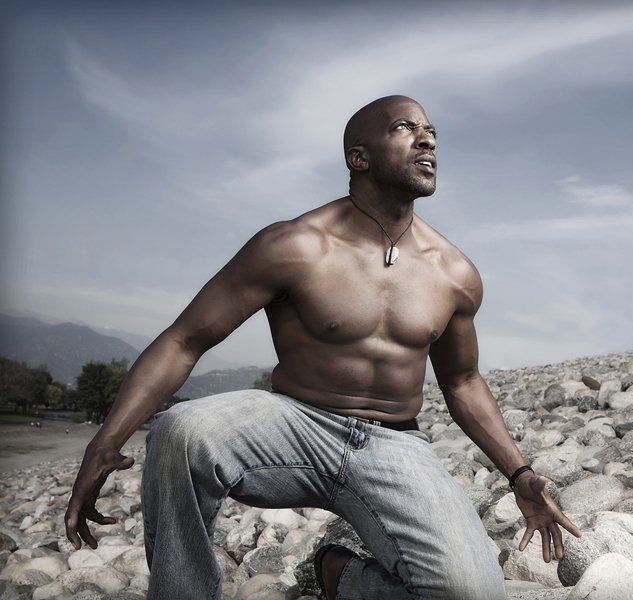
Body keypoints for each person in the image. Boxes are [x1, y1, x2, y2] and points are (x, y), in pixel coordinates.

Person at [65, 95, 581, 599]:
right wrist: (105, 441)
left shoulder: (455, 273)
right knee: (182, 431)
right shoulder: (294, 245)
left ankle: (341, 575)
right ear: (359, 158)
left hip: (395, 445)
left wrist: (520, 473)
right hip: (292, 427)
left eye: (431, 133)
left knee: (471, 592)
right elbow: (184, 340)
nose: (427, 138)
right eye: (405, 127)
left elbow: (462, 381)